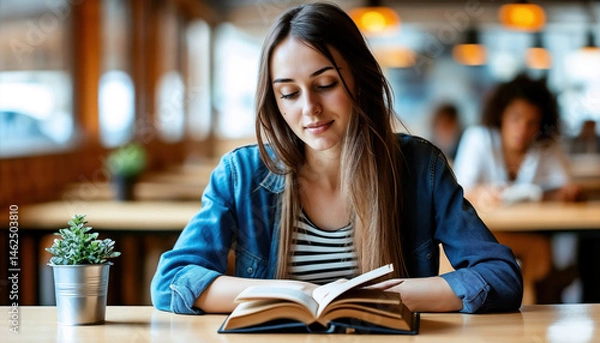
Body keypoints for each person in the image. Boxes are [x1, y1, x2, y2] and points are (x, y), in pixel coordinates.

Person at [151, 2, 522, 315]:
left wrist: (388, 298)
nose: (309, 108)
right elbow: (172, 283)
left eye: (325, 85)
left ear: (359, 80)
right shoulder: (240, 175)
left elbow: (501, 277)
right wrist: (296, 296)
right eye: (289, 94)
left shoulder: (420, 167)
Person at [453, 74, 583, 304]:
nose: (522, 129)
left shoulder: (544, 146)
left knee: (541, 253)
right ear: (501, 114)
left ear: (540, 124)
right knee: (537, 252)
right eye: (516, 118)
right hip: (482, 235)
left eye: (531, 122)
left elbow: (568, 188)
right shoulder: (479, 139)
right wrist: (481, 192)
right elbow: (458, 191)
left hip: (527, 234)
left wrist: (560, 193)